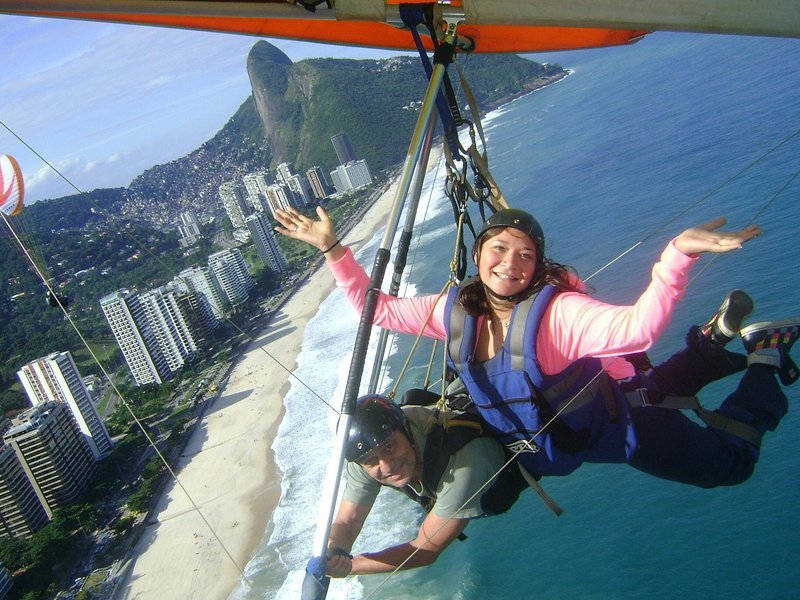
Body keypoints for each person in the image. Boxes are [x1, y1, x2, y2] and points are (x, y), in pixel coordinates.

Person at [276, 207, 796, 572]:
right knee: (648, 386)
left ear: (537, 267)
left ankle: (765, 356)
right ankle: (711, 344)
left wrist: (676, 256)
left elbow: (638, 329)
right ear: (479, 253)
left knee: (731, 465)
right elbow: (381, 310)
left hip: (619, 430)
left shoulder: (558, 316)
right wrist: (334, 250)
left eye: (525, 255)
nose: (510, 262)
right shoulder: (454, 312)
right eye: (499, 248)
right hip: (589, 420)